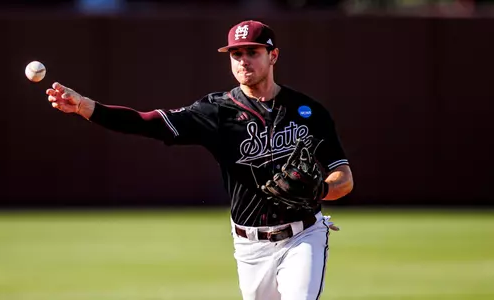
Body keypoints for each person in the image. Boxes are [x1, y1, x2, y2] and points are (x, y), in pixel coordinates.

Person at [46, 20, 354, 300]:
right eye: (236, 54)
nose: (243, 60)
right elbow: (147, 122)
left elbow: (343, 177)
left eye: (252, 52)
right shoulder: (217, 111)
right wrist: (87, 107)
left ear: (273, 56)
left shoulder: (309, 111)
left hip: (303, 236)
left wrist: (321, 191)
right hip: (250, 247)